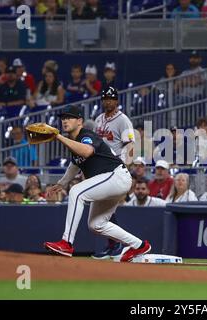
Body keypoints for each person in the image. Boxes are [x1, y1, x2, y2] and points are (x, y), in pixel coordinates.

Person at [43, 105, 151, 261]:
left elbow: (86, 151)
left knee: (77, 191)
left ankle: (66, 243)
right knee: (96, 224)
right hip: (111, 181)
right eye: (63, 118)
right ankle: (139, 246)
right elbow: (75, 164)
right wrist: (62, 183)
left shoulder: (86, 135)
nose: (65, 121)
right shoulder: (75, 142)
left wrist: (58, 137)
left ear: (79, 121)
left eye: (69, 117)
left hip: (116, 176)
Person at [92, 86, 135, 259]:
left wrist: (125, 166)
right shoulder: (98, 120)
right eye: (105, 98)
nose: (107, 101)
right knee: (105, 209)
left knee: (107, 208)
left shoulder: (123, 120)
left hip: (114, 167)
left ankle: (116, 244)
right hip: (99, 167)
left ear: (116, 101)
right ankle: (113, 244)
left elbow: (130, 145)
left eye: (110, 98)